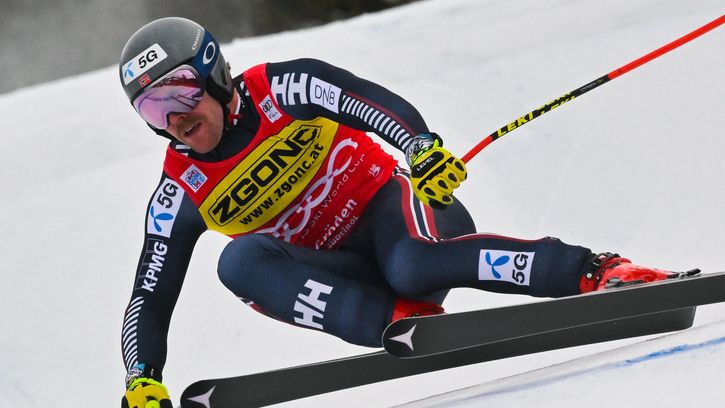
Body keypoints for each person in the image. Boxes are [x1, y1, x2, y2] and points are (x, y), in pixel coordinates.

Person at [118, 17, 689, 408]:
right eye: (152, 109)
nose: (174, 118)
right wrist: (141, 377)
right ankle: (398, 322)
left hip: (401, 219)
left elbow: (368, 102)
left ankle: (592, 270)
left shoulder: (282, 87)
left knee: (411, 264)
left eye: (180, 93)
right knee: (238, 263)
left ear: (215, 74)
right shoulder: (180, 191)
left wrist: (419, 148)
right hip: (349, 275)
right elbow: (150, 293)